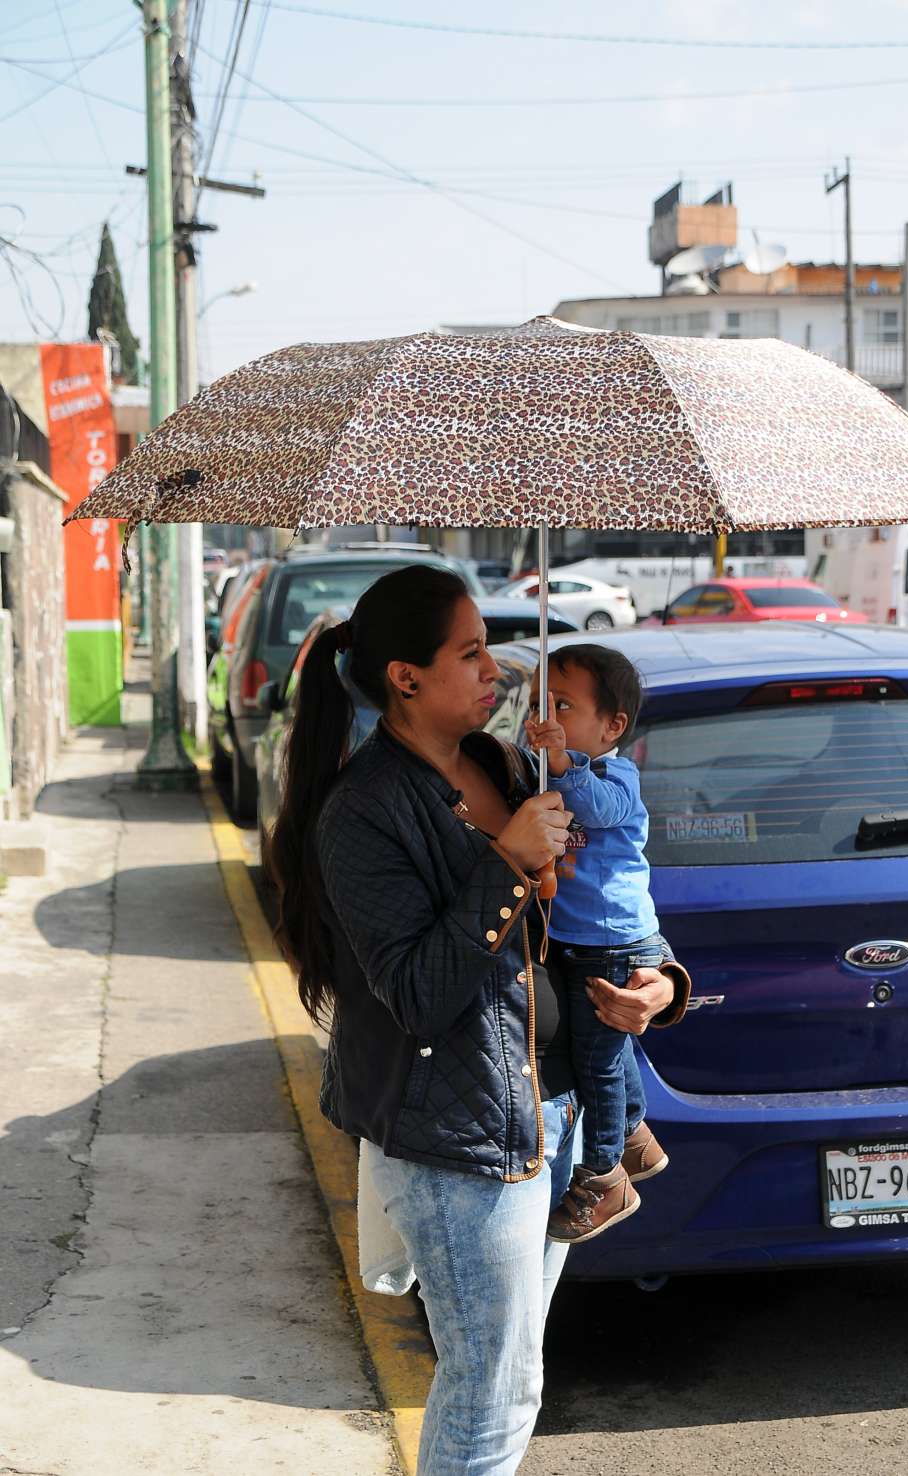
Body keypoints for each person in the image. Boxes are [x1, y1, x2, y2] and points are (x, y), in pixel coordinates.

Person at [265, 566, 687, 1476]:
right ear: (406, 677)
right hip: (461, 1142)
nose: (494, 668)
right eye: (468, 652)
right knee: (490, 1388)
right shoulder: (365, 813)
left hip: (559, 1116)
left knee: (515, 1378)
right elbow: (416, 990)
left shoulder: (503, 763)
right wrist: (505, 865)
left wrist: (660, 981)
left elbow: (597, 915)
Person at [525, 644, 690, 1245]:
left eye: (562, 705)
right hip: (580, 937)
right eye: (537, 701)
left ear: (613, 726)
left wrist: (562, 761)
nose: (543, 716)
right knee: (607, 1048)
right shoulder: (549, 764)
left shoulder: (613, 774)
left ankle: (606, 1176)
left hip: (613, 940)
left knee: (597, 1060)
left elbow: (596, 811)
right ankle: (637, 1137)